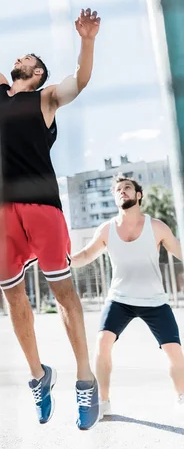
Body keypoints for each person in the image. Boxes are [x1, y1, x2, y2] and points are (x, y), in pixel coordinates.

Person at [0, 0, 101, 429]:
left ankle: (86, 380)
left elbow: (80, 81)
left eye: (29, 58)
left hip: (41, 203)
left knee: (63, 294)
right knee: (14, 299)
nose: (18, 58)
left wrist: (86, 44)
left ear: (38, 73)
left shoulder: (45, 99)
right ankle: (39, 375)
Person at [71, 175, 184, 418]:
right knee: (102, 343)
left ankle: (182, 397)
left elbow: (180, 252)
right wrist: (64, 260)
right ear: (114, 197)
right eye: (118, 190)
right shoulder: (107, 229)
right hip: (119, 299)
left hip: (154, 300)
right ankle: (103, 402)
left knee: (174, 351)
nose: (123, 192)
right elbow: (85, 255)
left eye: (128, 188)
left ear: (138, 195)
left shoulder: (156, 227)